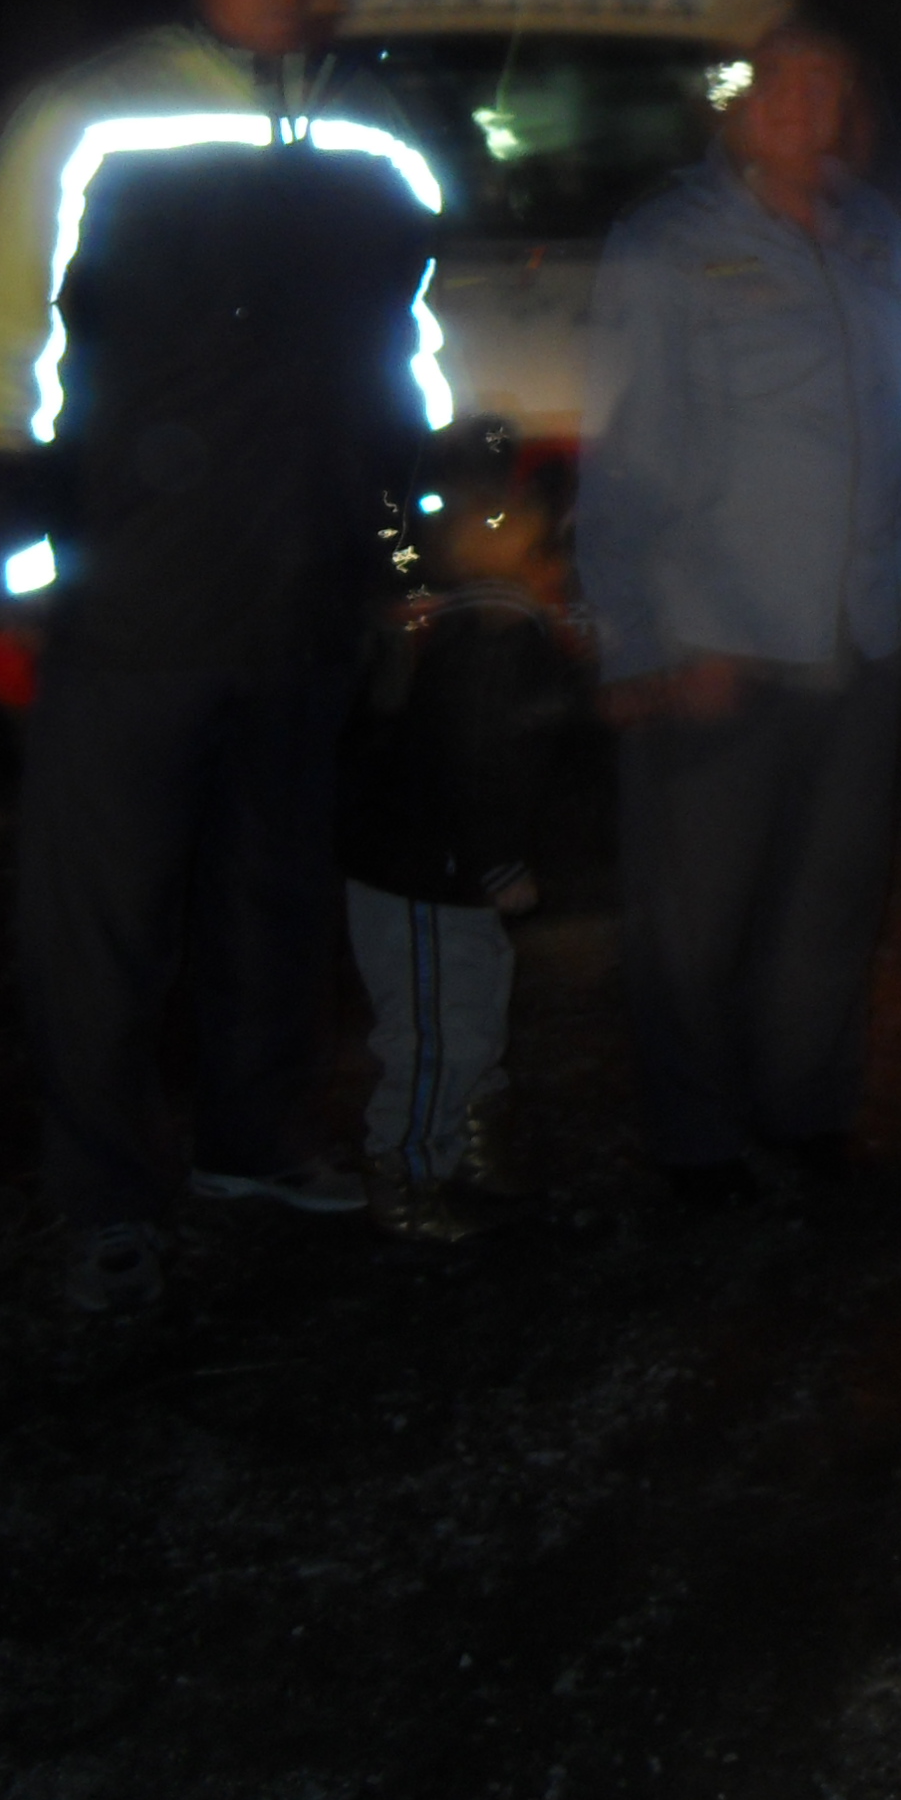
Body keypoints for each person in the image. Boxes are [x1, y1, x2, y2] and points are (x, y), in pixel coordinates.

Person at [0, 0, 454, 1312]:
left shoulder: (382, 134)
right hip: (131, 600)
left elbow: (412, 359)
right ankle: (106, 1193)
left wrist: (407, 542)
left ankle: (254, 1141)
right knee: (102, 922)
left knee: (272, 898)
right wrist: (4, 579)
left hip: (304, 596)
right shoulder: (85, 119)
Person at [576, 16, 901, 1201]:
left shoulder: (875, 236)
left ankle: (806, 1113)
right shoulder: (669, 245)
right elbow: (625, 455)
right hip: (716, 637)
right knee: (697, 913)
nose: (806, 106)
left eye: (829, 84)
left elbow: (898, 429)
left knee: (830, 897)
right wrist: (636, 639)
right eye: (781, 85)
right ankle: (695, 1140)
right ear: (736, 108)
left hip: (855, 634)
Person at [338, 425, 572, 1239]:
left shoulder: (485, 626)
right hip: (423, 875)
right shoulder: (486, 636)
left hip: (445, 870)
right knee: (435, 1025)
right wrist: (496, 859)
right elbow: (470, 755)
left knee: (470, 1009)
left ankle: (467, 1141)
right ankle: (406, 1170)